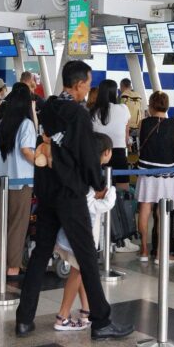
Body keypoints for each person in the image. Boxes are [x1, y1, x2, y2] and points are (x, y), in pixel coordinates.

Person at [15, 60, 133, 340]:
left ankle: (23, 319)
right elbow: (86, 155)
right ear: (79, 84)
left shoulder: (49, 107)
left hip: (47, 191)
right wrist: (99, 184)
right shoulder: (77, 115)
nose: (89, 88)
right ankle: (102, 322)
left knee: (40, 253)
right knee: (87, 256)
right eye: (88, 83)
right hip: (70, 194)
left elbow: (51, 144)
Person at [54, 133, 117, 331]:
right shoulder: (94, 174)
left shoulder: (78, 168)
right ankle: (62, 316)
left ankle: (86, 310)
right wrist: (109, 195)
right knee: (79, 270)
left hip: (70, 228)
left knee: (81, 270)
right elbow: (94, 204)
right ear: (106, 153)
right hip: (84, 231)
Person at [0, 83, 38, 280]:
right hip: (21, 181)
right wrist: (42, 161)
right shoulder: (25, 124)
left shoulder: (1, 123)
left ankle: (4, 263)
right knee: (18, 226)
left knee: (3, 224)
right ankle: (13, 268)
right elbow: (26, 151)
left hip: (0, 181)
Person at [135, 91, 174, 261]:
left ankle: (143, 250)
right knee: (162, 213)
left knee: (145, 209)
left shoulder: (143, 123)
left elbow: (140, 145)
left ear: (151, 105)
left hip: (146, 171)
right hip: (166, 173)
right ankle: (161, 253)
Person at [90, 79, 135, 250]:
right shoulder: (122, 109)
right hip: (118, 155)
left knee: (99, 194)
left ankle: (101, 238)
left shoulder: (93, 112)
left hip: (98, 156)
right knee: (122, 195)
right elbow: (126, 133)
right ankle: (121, 237)